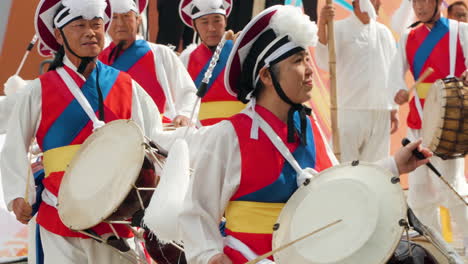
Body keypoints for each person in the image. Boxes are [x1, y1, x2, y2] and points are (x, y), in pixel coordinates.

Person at [179, 5, 432, 264]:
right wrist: (210, 256)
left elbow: (340, 186)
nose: (310, 69)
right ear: (266, 75)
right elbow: (197, 212)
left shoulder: (308, 128)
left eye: (307, 58)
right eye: (298, 61)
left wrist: (395, 165)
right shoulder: (229, 135)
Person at [1, 0, 163, 262]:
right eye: (79, 25)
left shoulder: (126, 85)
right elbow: (15, 145)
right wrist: (19, 195)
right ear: (58, 35)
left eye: (96, 25)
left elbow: (156, 138)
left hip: (118, 214)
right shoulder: (39, 90)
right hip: (60, 214)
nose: (90, 32)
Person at [388, 0, 468, 253]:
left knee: (451, 186)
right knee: (419, 194)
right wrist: (398, 92)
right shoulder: (408, 36)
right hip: (418, 122)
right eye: (415, 2)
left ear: (437, 3)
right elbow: (394, 76)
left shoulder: (460, 30)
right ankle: (437, 248)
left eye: (424, 1)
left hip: (448, 120)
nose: (419, 7)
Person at [315, 0, 398, 163]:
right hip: (349, 109)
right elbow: (324, 61)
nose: (377, 3)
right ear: (356, 3)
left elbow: (392, 70)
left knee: (376, 167)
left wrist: (393, 109)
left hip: (380, 110)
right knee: (344, 166)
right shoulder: (338, 28)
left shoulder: (384, 33)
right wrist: (322, 24)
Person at [99, 0, 197, 127]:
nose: (120, 23)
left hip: (160, 133)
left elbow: (187, 91)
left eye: (126, 16)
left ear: (138, 19)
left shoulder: (160, 53)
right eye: (114, 17)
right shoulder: (98, 61)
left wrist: (185, 114)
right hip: (118, 136)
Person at [179, 0, 245, 126]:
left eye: (217, 20)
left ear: (225, 21)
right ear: (194, 26)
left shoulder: (241, 50)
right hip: (200, 134)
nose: (211, 28)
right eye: (204, 22)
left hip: (239, 131)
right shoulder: (186, 58)